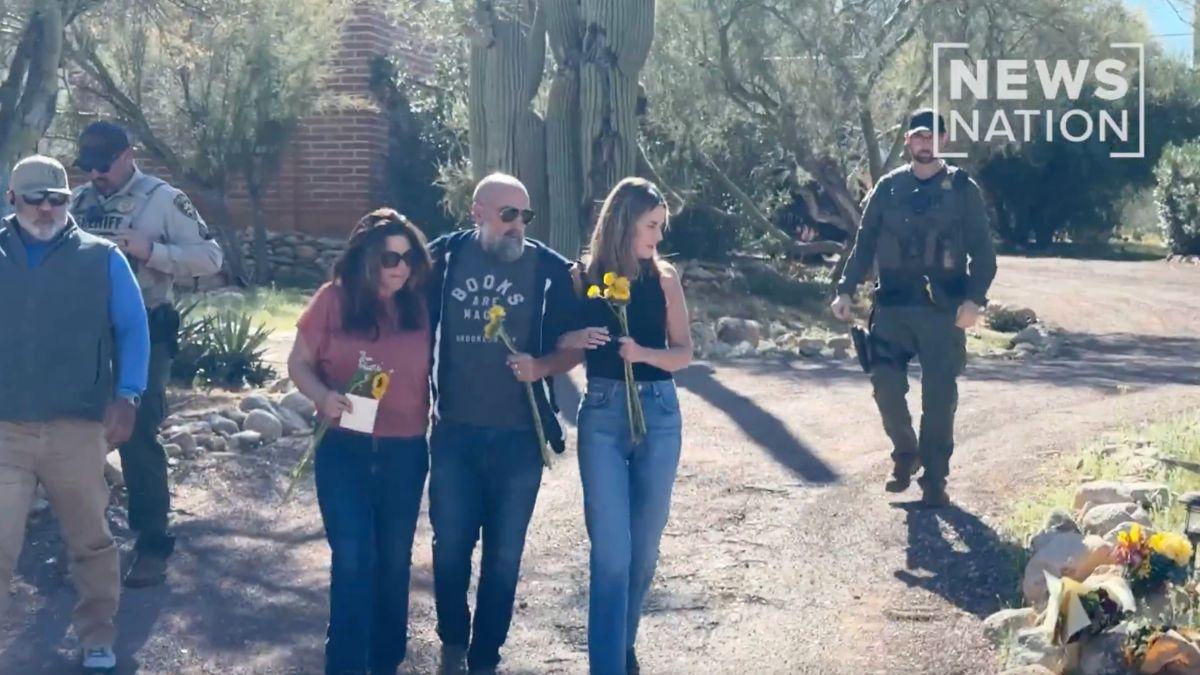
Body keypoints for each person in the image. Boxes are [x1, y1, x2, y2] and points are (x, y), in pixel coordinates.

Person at [425, 172, 580, 675]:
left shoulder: (550, 270)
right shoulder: (442, 260)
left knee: (504, 557)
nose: (518, 226)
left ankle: (485, 657)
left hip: (519, 439)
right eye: (507, 214)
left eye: (525, 217)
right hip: (454, 434)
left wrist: (542, 367)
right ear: (478, 213)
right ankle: (452, 639)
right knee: (449, 547)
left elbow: (573, 345)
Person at [0, 155, 150, 672]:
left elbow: (132, 330)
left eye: (57, 198)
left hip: (78, 426)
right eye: (35, 198)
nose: (46, 208)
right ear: (11, 199)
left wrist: (128, 394)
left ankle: (97, 637)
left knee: (90, 539)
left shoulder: (102, 257)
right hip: (5, 428)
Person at [70, 120, 224, 587]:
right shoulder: (78, 202)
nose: (96, 174)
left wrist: (152, 250)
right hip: (85, 337)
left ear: (126, 155)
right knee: (76, 435)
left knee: (136, 431)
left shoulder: (163, 199)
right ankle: (86, 546)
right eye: (89, 166)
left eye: (103, 165)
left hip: (146, 333)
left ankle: (153, 543)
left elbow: (211, 258)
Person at [287, 208, 434, 675]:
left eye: (409, 258)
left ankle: (386, 661)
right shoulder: (333, 299)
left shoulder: (418, 302)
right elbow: (298, 364)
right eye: (391, 258)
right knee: (353, 558)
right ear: (367, 257)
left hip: (405, 450)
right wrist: (324, 397)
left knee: (393, 564)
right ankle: (346, 664)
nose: (401, 268)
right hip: (345, 451)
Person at [556, 177, 693, 675]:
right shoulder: (583, 278)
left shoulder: (665, 280)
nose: (657, 236)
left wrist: (643, 354)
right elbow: (558, 344)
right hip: (603, 418)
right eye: (651, 225)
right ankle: (607, 666)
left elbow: (684, 353)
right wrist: (573, 335)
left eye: (660, 226)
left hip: (659, 414)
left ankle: (622, 645)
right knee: (612, 553)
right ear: (623, 222)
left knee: (644, 549)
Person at [831, 108, 997, 507]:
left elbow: (984, 253)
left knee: (939, 397)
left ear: (943, 140)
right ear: (907, 141)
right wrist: (845, 290)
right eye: (917, 136)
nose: (924, 143)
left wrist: (974, 300)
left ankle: (935, 480)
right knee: (885, 385)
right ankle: (906, 453)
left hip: (944, 309)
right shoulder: (887, 189)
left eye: (932, 136)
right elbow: (864, 245)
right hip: (892, 306)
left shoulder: (961, 189)